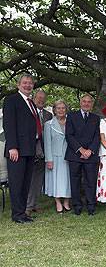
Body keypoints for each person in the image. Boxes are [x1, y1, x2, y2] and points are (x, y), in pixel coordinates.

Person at [3, 74, 40, 223]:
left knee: (25, 183)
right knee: (17, 183)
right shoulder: (12, 100)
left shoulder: (30, 102)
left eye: (30, 83)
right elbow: (9, 124)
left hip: (29, 150)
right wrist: (12, 147)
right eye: (24, 83)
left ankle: (23, 213)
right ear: (18, 85)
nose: (27, 85)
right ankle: (17, 215)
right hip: (16, 151)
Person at [65, 93, 100, 216]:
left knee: (90, 181)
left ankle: (91, 206)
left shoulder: (96, 118)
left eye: (89, 102)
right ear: (80, 102)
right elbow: (69, 135)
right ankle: (77, 206)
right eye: (84, 101)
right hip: (75, 154)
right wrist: (81, 150)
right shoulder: (71, 116)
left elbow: (97, 137)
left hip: (91, 155)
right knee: (75, 181)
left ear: (92, 104)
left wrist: (90, 151)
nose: (86, 104)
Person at [26, 89, 53, 216]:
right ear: (33, 98)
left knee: (38, 181)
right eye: (38, 98)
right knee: (29, 181)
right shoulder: (27, 112)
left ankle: (34, 204)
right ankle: (27, 206)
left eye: (43, 98)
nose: (41, 100)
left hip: (44, 152)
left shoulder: (49, 115)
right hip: (31, 151)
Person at [44, 100, 71, 213]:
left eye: (63, 108)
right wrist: (48, 160)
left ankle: (66, 202)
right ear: (54, 110)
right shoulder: (48, 124)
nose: (61, 110)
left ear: (66, 110)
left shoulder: (71, 122)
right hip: (55, 157)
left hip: (69, 156)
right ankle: (58, 202)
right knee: (56, 180)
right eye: (58, 108)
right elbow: (47, 143)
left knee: (67, 180)